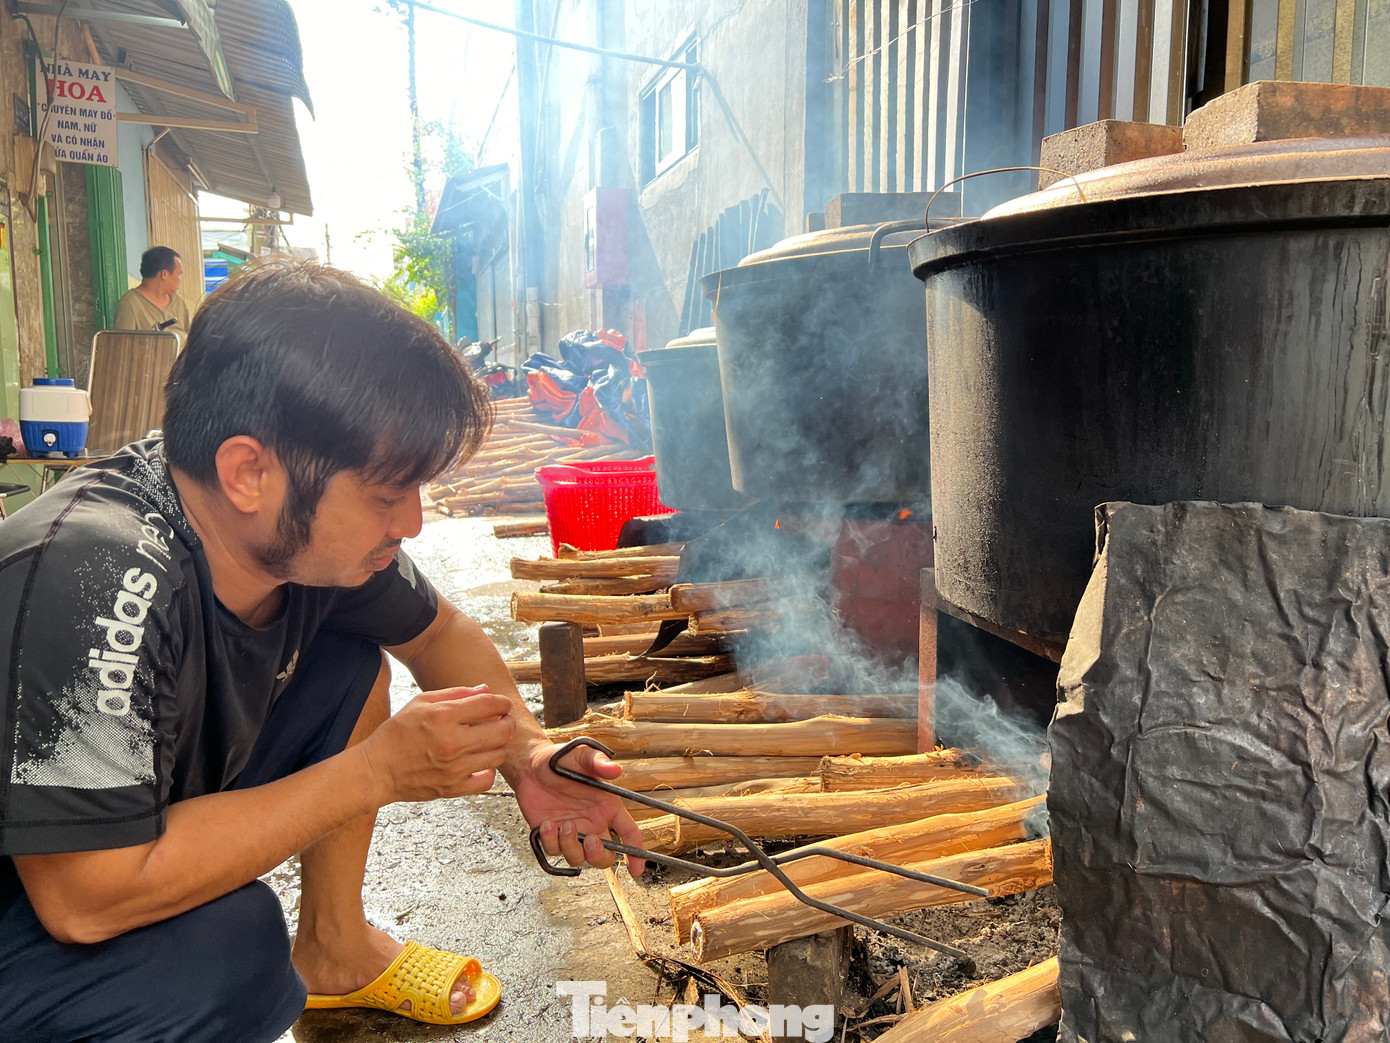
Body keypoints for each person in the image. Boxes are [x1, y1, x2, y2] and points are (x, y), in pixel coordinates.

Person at [0, 263, 645, 1041]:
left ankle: (336, 948)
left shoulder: (282, 530)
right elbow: (85, 895)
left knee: (347, 667)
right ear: (248, 471)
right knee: (223, 956)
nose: (411, 522)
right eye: (385, 494)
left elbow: (437, 633)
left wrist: (531, 756)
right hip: (40, 887)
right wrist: (374, 771)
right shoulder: (97, 575)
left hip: (107, 834)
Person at [112, 246, 192, 334]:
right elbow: (123, 345)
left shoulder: (179, 303)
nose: (180, 280)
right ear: (164, 274)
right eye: (178, 274)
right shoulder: (130, 304)